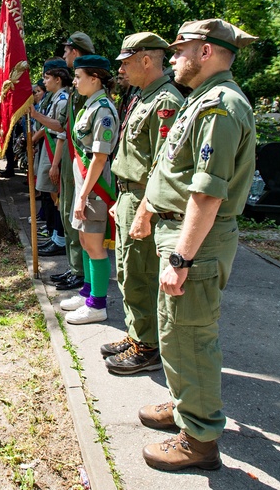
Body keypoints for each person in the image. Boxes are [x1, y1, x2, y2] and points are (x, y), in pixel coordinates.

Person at [139, 19, 256, 472]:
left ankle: (201, 440)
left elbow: (207, 193)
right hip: (181, 233)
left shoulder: (221, 107)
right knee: (175, 333)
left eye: (179, 49)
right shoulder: (202, 101)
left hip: (197, 243)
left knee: (190, 337)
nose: (172, 57)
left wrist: (182, 256)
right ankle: (184, 402)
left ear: (205, 51)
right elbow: (177, 171)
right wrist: (150, 209)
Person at [103, 33, 184, 376]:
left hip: (143, 197)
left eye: (126, 60)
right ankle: (138, 333)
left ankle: (148, 346)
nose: (121, 67)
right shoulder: (143, 97)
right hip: (129, 193)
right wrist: (121, 197)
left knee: (141, 274)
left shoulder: (166, 100)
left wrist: (143, 209)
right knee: (127, 271)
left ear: (146, 60)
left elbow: (162, 164)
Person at [59, 55, 118, 325]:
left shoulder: (103, 110)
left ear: (95, 79)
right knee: (84, 240)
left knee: (95, 245)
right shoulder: (89, 105)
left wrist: (83, 196)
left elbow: (99, 157)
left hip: (94, 189)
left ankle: (98, 304)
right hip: (84, 186)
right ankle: (86, 294)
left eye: (79, 76)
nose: (74, 80)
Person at [51, 31, 95, 292]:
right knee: (67, 211)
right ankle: (74, 266)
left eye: (67, 50)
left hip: (79, 158)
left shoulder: (85, 87)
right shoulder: (77, 88)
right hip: (70, 155)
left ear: (76, 52)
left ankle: (80, 270)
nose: (64, 54)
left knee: (76, 215)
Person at [30, 59, 71, 257]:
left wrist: (36, 116)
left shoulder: (63, 98)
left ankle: (60, 238)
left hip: (56, 148)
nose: (44, 82)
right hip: (49, 146)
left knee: (55, 195)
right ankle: (55, 235)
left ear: (58, 78)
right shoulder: (55, 97)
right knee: (49, 193)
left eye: (47, 78)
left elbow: (59, 126)